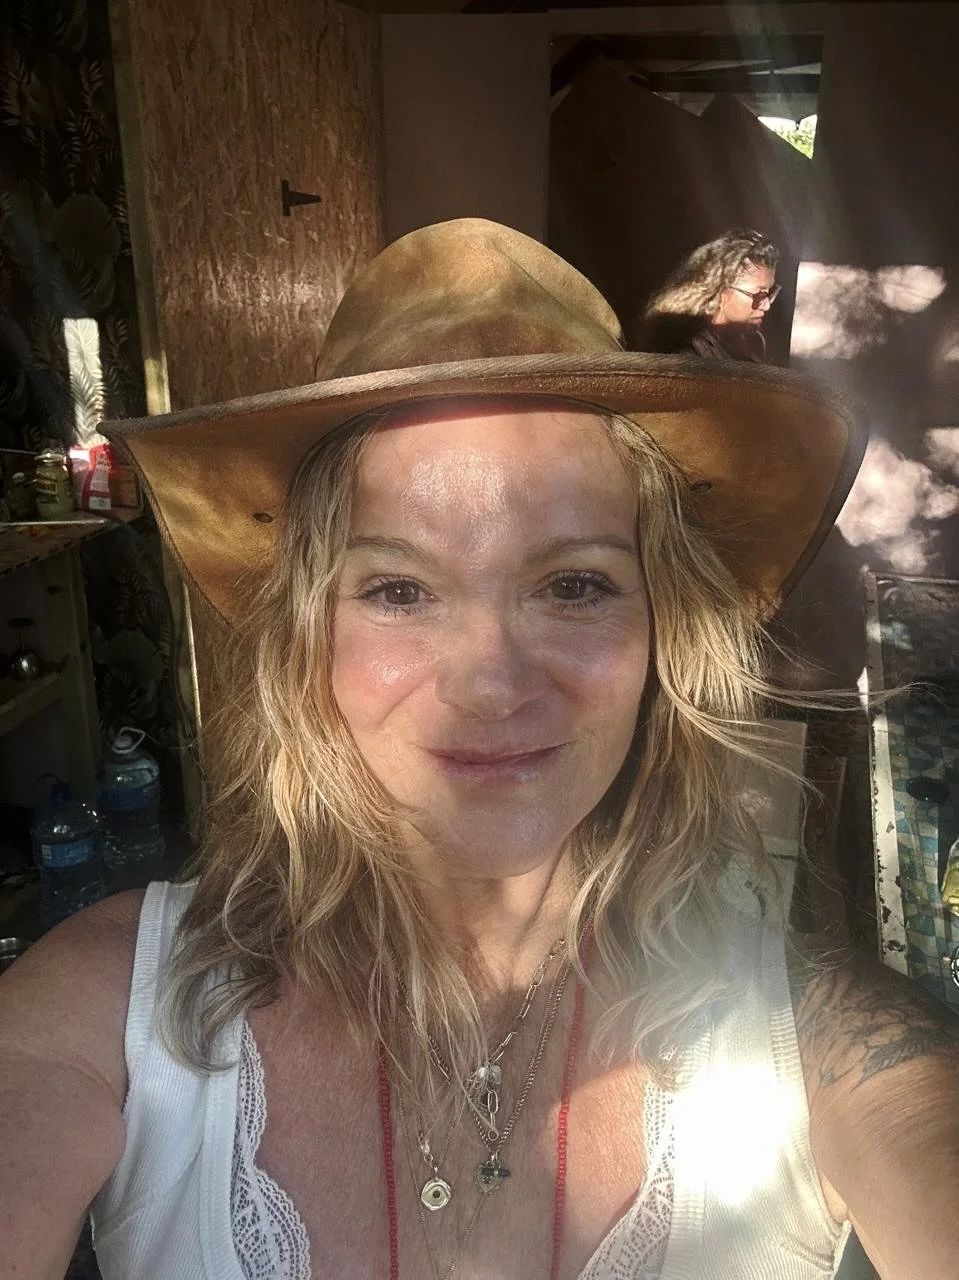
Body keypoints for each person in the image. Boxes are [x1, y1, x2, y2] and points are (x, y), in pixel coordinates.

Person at [1, 218, 957, 1280]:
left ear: (661, 630)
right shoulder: (102, 1010)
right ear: (308, 635)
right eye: (398, 589)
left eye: (574, 582)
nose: (493, 682)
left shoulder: (814, 1035)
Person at [640, 228, 780, 362]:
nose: (766, 306)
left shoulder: (751, 343)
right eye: (758, 294)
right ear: (720, 290)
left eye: (769, 293)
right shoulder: (685, 355)